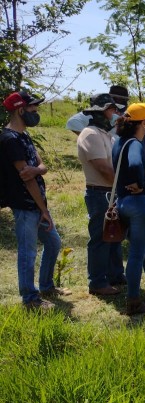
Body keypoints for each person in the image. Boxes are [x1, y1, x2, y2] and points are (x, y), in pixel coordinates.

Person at [1, 91, 71, 309]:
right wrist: (44, 210)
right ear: (21, 110)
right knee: (27, 252)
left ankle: (47, 285)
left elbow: (42, 167)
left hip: (36, 204)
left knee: (53, 242)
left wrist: (37, 170)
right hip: (25, 205)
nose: (36, 112)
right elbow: (28, 180)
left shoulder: (24, 136)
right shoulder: (10, 139)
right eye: (33, 108)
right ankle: (30, 299)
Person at [111, 103, 145, 315]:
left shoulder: (119, 142)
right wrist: (141, 183)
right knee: (137, 254)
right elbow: (134, 165)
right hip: (139, 203)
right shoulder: (135, 144)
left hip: (124, 202)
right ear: (142, 123)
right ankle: (133, 301)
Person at [76, 93, 126, 296]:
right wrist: (123, 185)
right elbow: (103, 168)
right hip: (100, 193)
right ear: (101, 111)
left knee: (114, 235)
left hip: (110, 192)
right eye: (112, 110)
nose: (116, 114)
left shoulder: (106, 134)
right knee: (100, 237)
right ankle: (97, 281)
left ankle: (114, 274)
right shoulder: (90, 134)